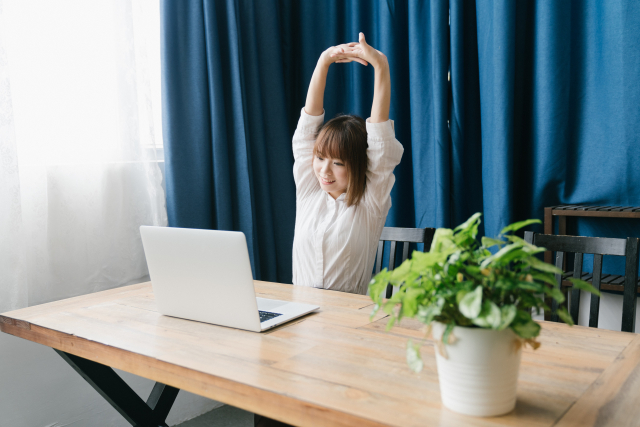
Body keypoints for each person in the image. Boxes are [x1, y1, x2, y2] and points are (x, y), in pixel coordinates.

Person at [291, 33, 404, 295]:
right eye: (320, 158)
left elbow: (380, 142)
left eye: (338, 163)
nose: (324, 171)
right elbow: (307, 129)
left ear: (356, 165)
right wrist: (323, 63)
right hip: (299, 316)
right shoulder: (310, 189)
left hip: (347, 321)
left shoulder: (370, 202)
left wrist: (381, 66)